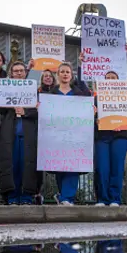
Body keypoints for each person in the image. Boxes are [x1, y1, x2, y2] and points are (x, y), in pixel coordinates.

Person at [45, 62, 93, 206]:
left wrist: (92, 110)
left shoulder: (79, 93)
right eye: (62, 72)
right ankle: (62, 195)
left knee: (73, 165)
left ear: (71, 75)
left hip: (75, 136)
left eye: (68, 72)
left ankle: (67, 197)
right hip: (57, 137)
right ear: (57, 75)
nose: (65, 74)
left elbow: (88, 107)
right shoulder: (51, 94)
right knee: (60, 166)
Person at [0, 59, 39, 205]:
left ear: (25, 73)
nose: (19, 73)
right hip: (10, 134)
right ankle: (12, 197)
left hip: (27, 135)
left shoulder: (33, 90)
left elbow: (39, 111)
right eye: (16, 71)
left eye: (21, 71)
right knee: (10, 165)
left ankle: (26, 197)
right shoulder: (5, 90)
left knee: (27, 166)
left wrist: (25, 111)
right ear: (11, 74)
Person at [93, 69, 127, 206]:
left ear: (118, 81)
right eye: (107, 77)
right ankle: (102, 199)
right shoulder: (96, 99)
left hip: (120, 135)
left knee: (117, 168)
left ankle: (115, 198)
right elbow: (89, 117)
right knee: (102, 168)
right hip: (102, 135)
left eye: (113, 77)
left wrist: (123, 123)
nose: (110, 79)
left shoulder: (126, 96)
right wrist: (95, 117)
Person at [19, 63, 56, 205]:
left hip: (55, 132)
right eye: (45, 76)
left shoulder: (59, 92)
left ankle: (61, 195)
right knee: (37, 165)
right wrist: (27, 69)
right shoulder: (35, 92)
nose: (47, 78)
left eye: (50, 76)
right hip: (38, 132)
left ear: (54, 78)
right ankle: (37, 192)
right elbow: (22, 87)